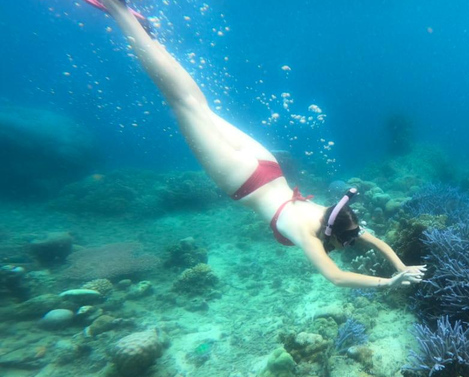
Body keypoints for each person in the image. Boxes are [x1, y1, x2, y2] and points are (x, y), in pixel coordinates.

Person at [82, 0, 425, 288]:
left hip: (267, 167)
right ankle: (119, 11)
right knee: (183, 104)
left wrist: (400, 266)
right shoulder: (308, 231)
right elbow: (334, 276)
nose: (348, 244)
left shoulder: (334, 217)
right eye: (346, 241)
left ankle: (147, 37)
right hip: (243, 181)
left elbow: (373, 239)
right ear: (333, 230)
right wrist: (389, 282)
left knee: (197, 104)